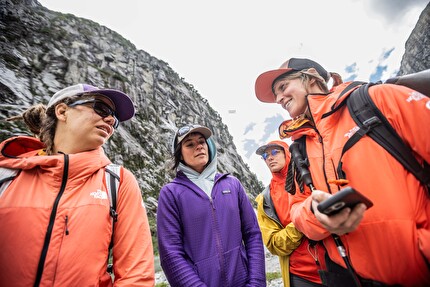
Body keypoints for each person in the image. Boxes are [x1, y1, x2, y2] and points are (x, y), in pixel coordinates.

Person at [254, 58, 430, 286]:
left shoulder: (377, 100)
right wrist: (315, 214)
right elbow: (297, 209)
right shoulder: (299, 148)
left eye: (283, 87)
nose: (278, 99)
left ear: (310, 76)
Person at [0, 84, 155, 286]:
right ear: (62, 111)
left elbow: (137, 276)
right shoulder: (7, 174)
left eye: (114, 119)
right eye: (101, 108)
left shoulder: (118, 181)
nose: (110, 119)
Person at [157, 124, 266, 287]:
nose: (199, 146)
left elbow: (252, 235)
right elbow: (171, 254)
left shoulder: (232, 184)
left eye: (201, 141)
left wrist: (256, 283)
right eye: (190, 144)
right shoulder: (171, 193)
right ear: (180, 155)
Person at [255, 140, 324, 287]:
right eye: (265, 156)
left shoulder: (311, 177)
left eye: (275, 152)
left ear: (288, 153)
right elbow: (274, 244)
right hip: (301, 275)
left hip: (336, 264)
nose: (270, 158)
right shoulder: (265, 199)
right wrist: (303, 220)